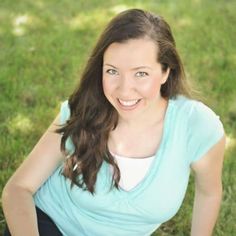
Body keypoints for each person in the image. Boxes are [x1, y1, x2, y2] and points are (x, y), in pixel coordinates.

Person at [2, 8, 225, 236]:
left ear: (166, 72)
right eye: (112, 71)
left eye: (140, 73)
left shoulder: (196, 126)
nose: (124, 90)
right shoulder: (83, 112)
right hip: (49, 225)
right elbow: (18, 189)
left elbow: (208, 193)